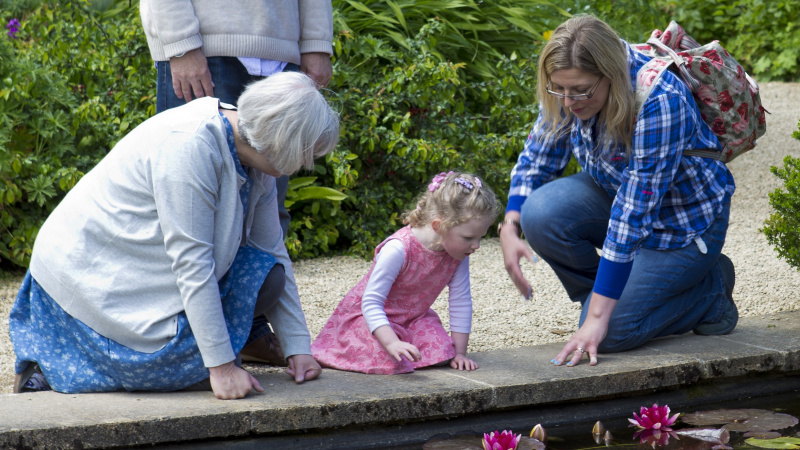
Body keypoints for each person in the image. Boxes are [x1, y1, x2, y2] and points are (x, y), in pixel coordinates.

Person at [9, 72, 340, 399]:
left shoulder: (256, 154)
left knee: (269, 277)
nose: (309, 162)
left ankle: (215, 350)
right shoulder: (190, 146)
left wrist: (298, 347)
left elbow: (271, 249)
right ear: (284, 141)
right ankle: (49, 365)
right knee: (197, 374)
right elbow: (193, 264)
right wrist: (221, 368)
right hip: (88, 280)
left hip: (141, 270)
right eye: (308, 152)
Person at [499, 15, 738, 368]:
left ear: (609, 74)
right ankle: (613, 300)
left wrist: (600, 318)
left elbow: (632, 214)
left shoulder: (660, 99)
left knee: (611, 334)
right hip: (619, 196)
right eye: (558, 89)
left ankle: (712, 291)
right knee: (539, 213)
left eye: (580, 91)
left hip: (684, 227)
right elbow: (539, 156)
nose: (568, 102)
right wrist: (510, 225)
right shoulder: (571, 84)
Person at [139, 0, 334, 366]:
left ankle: (244, 333)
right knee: (183, 223)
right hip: (206, 46)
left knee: (265, 220)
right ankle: (170, 341)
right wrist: (180, 42)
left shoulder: (269, 165)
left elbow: (270, 243)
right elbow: (188, 252)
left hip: (281, 48)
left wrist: (317, 42)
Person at [311, 172, 499, 374]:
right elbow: (371, 303)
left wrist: (460, 353)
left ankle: (406, 345)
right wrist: (391, 342)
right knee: (390, 359)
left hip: (414, 319)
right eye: (469, 238)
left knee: (444, 350)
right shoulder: (398, 249)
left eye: (480, 237)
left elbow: (460, 301)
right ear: (438, 226)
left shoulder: (458, 254)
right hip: (371, 320)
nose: (476, 245)